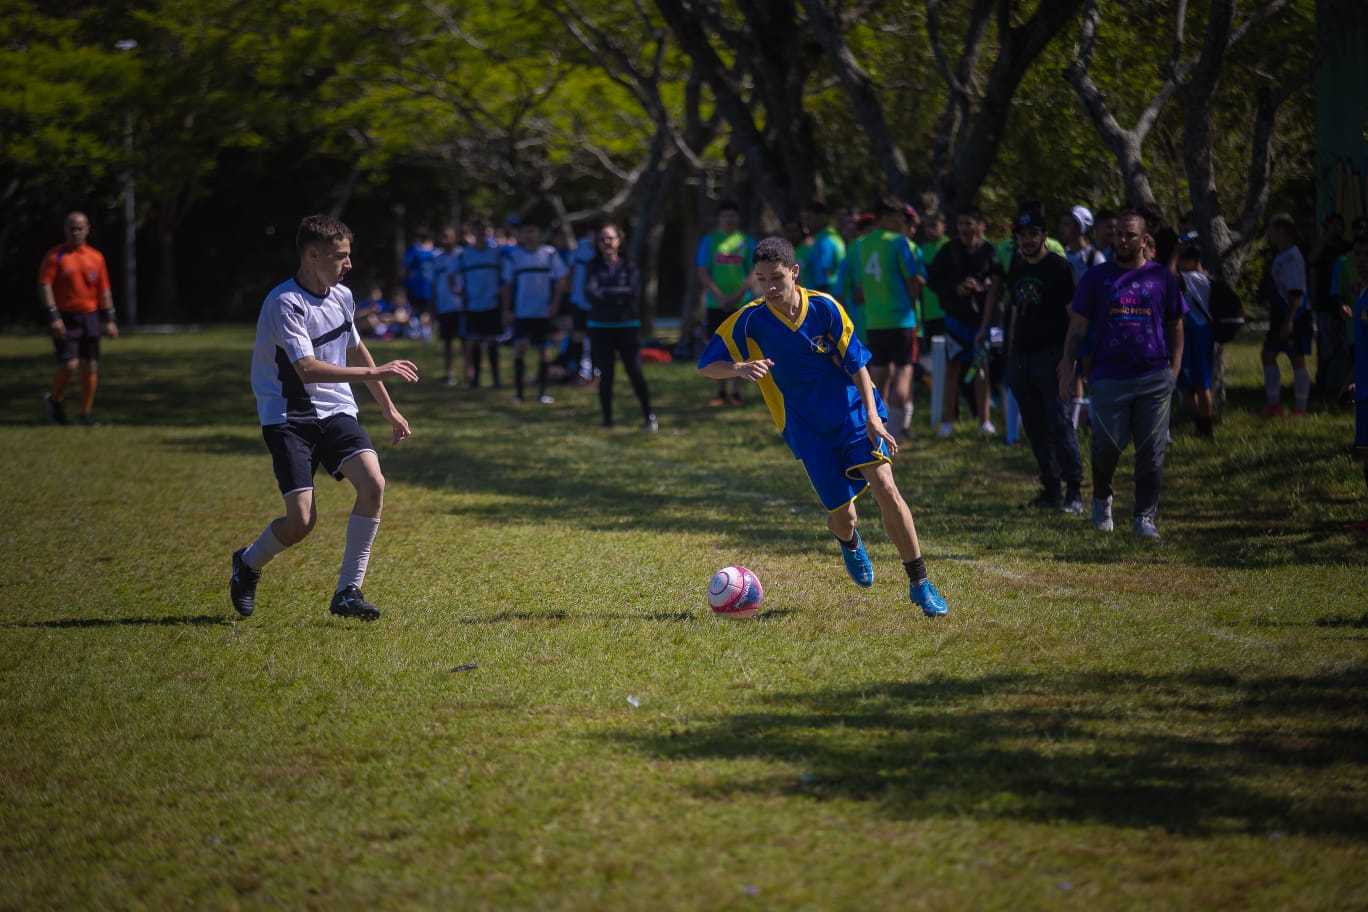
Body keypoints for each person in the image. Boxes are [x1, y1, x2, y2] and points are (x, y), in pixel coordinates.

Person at [697, 236, 948, 616]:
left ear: (794, 272)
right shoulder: (750, 318)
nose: (770, 287)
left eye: (777, 278)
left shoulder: (825, 308)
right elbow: (705, 364)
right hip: (805, 428)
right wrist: (738, 367)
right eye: (761, 279)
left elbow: (858, 365)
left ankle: (920, 583)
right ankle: (848, 541)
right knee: (843, 517)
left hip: (853, 415)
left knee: (886, 487)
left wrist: (875, 418)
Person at [229, 214, 418, 621]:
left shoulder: (342, 296)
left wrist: (388, 407)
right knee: (301, 522)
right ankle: (247, 564)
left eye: (348, 256)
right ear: (312, 255)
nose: (348, 264)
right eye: (340, 257)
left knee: (373, 482)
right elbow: (308, 370)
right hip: (287, 416)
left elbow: (356, 349)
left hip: (335, 410)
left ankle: (348, 590)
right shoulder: (285, 302)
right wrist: (375, 372)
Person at [1058, 209, 1185, 539]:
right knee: (1106, 446)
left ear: (1144, 240)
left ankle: (1144, 516)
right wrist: (1067, 367)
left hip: (1154, 376)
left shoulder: (1163, 279)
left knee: (1151, 450)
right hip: (1109, 374)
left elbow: (1176, 326)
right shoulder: (1096, 278)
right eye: (1118, 235)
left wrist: (1174, 370)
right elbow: (1078, 327)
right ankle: (1102, 496)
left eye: (1129, 235)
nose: (1122, 241)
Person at [992, 206, 1083, 511]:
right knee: (1034, 426)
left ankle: (1074, 491)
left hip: (1052, 355)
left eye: (1033, 235)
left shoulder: (1060, 268)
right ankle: (1050, 489)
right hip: (1021, 357)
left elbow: (1075, 317)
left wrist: (1068, 360)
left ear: (1044, 236)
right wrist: (1011, 353)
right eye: (1022, 235)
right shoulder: (1017, 268)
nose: (1027, 240)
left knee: (1058, 422)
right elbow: (1016, 312)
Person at [850, 196, 926, 443]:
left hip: (875, 320)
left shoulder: (863, 244)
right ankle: (895, 430)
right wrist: (912, 305)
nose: (900, 222)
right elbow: (912, 280)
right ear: (884, 217)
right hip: (901, 318)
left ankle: (873, 428)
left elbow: (861, 286)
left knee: (879, 375)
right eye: (897, 217)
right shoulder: (899, 242)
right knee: (904, 372)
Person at [38, 211, 117, 426]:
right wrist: (54, 316)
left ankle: (85, 414)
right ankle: (54, 399)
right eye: (71, 228)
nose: (76, 232)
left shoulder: (96, 257)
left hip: (89, 315)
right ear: (65, 230)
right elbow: (45, 286)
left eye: (80, 228)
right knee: (69, 364)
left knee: (90, 365)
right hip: (65, 316)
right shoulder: (56, 257)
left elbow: (104, 290)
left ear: (88, 229)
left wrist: (110, 318)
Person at [928, 205, 999, 437]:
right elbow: (933, 280)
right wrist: (954, 289)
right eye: (960, 224)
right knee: (953, 367)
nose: (964, 228)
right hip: (955, 319)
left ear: (979, 225)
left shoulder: (989, 250)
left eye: (969, 223)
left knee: (981, 367)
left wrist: (980, 286)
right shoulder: (948, 250)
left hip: (981, 318)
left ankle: (984, 421)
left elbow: (998, 281)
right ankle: (948, 420)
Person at [584, 223, 656, 431]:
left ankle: (648, 415)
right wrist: (617, 295)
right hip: (600, 326)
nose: (606, 242)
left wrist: (606, 292)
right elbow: (591, 294)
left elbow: (633, 292)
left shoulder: (630, 266)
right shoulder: (592, 266)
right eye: (602, 239)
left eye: (610, 238)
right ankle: (607, 419)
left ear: (619, 240)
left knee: (635, 372)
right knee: (606, 374)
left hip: (627, 325)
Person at [501, 216, 569, 404]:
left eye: (532, 231)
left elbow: (562, 278)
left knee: (543, 351)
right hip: (522, 312)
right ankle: (519, 393)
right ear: (520, 235)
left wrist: (555, 303)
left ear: (539, 233)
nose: (529, 235)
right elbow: (508, 285)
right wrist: (506, 310)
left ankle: (543, 392)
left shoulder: (549, 253)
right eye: (525, 232)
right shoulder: (514, 256)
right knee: (519, 350)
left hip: (543, 312)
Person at [696, 200, 757, 407]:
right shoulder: (709, 241)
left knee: (741, 345)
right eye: (725, 216)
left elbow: (754, 272)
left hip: (742, 303)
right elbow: (703, 272)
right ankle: (720, 391)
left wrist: (737, 296)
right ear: (719, 218)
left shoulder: (747, 241)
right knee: (717, 346)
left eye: (732, 215)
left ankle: (736, 393)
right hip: (716, 303)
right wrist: (720, 296)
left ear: (738, 218)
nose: (729, 219)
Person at [1259, 213, 1312, 418]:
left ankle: (1301, 407)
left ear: (1282, 231)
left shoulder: (1292, 257)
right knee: (1268, 355)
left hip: (1293, 315)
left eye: (1272, 229)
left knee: (1297, 359)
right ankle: (1274, 404)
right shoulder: (1283, 255)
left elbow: (1296, 291)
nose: (1269, 234)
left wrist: (1289, 320)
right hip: (1280, 314)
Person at [455, 217, 506, 388]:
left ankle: (496, 379)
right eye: (477, 230)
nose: (481, 234)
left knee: (492, 343)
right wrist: (458, 291)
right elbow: (453, 275)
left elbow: (505, 277)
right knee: (475, 342)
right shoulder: (465, 254)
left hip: (492, 304)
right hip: (473, 305)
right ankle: (475, 379)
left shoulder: (496, 253)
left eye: (485, 230)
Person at [1176, 240, 1217, 439]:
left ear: (1193, 261)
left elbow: (1169, 276)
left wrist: (1173, 255)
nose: (1180, 264)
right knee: (1199, 384)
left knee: (1196, 385)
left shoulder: (1191, 278)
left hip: (1195, 333)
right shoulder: (1207, 278)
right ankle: (1203, 425)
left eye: (1183, 260)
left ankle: (1203, 426)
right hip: (1202, 332)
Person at [1345, 233, 1368, 531]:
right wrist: (1351, 379)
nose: (1361, 261)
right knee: (1365, 454)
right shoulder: (1362, 292)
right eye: (1358, 254)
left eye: (1366, 254)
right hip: (1362, 388)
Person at [431, 225, 463, 385]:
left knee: (465, 340)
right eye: (442, 236)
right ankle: (449, 372)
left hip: (461, 305)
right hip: (444, 305)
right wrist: (435, 304)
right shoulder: (436, 257)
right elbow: (434, 283)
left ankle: (469, 373)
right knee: (447, 341)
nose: (445, 240)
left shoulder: (461, 255)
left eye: (448, 236)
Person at [800, 200, 847, 295]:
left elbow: (825, 276)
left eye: (809, 218)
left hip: (828, 296)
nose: (806, 223)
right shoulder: (834, 236)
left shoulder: (823, 241)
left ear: (821, 217)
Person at [1058, 205, 1107, 282]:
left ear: (1079, 227)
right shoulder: (1061, 254)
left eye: (1066, 224)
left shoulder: (1095, 258)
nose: (1061, 228)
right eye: (1061, 223)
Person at [402, 227, 438, 321]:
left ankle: (420, 330)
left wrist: (403, 281)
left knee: (417, 309)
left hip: (419, 286)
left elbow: (404, 268)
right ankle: (422, 330)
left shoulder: (413, 250)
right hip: (425, 285)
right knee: (425, 309)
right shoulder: (435, 251)